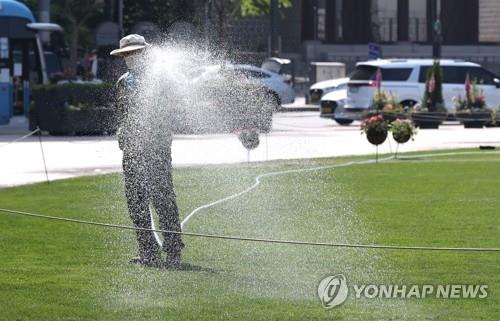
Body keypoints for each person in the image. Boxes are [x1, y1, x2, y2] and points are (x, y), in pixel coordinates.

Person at [110, 34, 184, 269]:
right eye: (127, 55)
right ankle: (148, 251)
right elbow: (122, 112)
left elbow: (172, 108)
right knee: (136, 202)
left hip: (156, 147)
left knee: (163, 199)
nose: (131, 58)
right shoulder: (123, 81)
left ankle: (173, 251)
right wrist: (123, 132)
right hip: (132, 148)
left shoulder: (160, 78)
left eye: (135, 53)